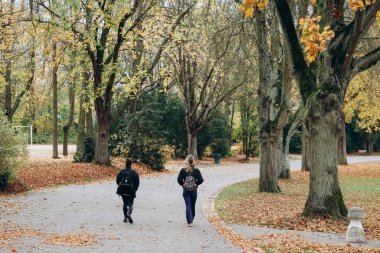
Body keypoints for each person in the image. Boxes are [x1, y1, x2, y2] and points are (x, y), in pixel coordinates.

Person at [177, 155, 204, 227]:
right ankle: (191, 218)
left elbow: (179, 180)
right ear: (193, 161)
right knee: (192, 206)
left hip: (185, 191)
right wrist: (196, 184)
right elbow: (201, 180)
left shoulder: (183, 171)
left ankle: (190, 221)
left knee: (188, 205)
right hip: (194, 191)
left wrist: (183, 185)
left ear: (186, 161)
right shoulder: (196, 171)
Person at [116, 158, 140, 223]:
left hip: (123, 190)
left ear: (125, 164)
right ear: (131, 164)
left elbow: (117, 181)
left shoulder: (121, 172)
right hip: (131, 190)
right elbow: (137, 183)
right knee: (130, 203)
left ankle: (125, 218)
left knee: (125, 203)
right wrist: (135, 190)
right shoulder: (134, 173)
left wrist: (121, 187)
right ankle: (129, 214)